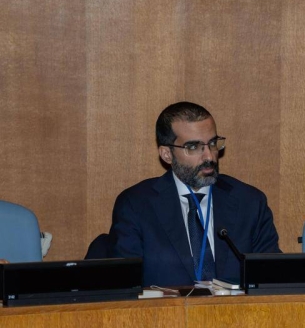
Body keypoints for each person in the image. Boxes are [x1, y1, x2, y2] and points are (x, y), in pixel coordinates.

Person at [108, 102, 280, 287]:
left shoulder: (249, 202)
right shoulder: (136, 205)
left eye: (212, 143)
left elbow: (273, 279)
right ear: (167, 154)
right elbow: (124, 286)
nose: (209, 157)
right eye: (193, 147)